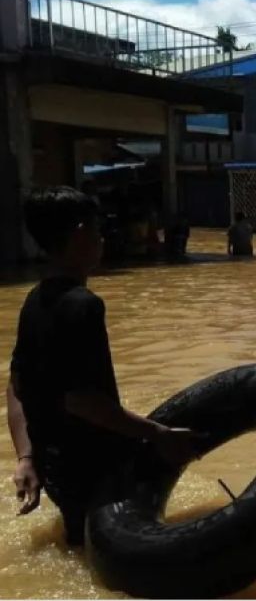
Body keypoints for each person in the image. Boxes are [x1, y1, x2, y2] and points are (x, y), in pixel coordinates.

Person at [6, 186, 200, 546]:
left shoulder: (35, 299)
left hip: (55, 470)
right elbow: (81, 400)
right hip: (92, 469)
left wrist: (27, 457)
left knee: (82, 546)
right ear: (81, 233)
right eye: (98, 230)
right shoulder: (83, 306)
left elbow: (17, 385)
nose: (102, 239)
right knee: (112, 556)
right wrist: (158, 434)